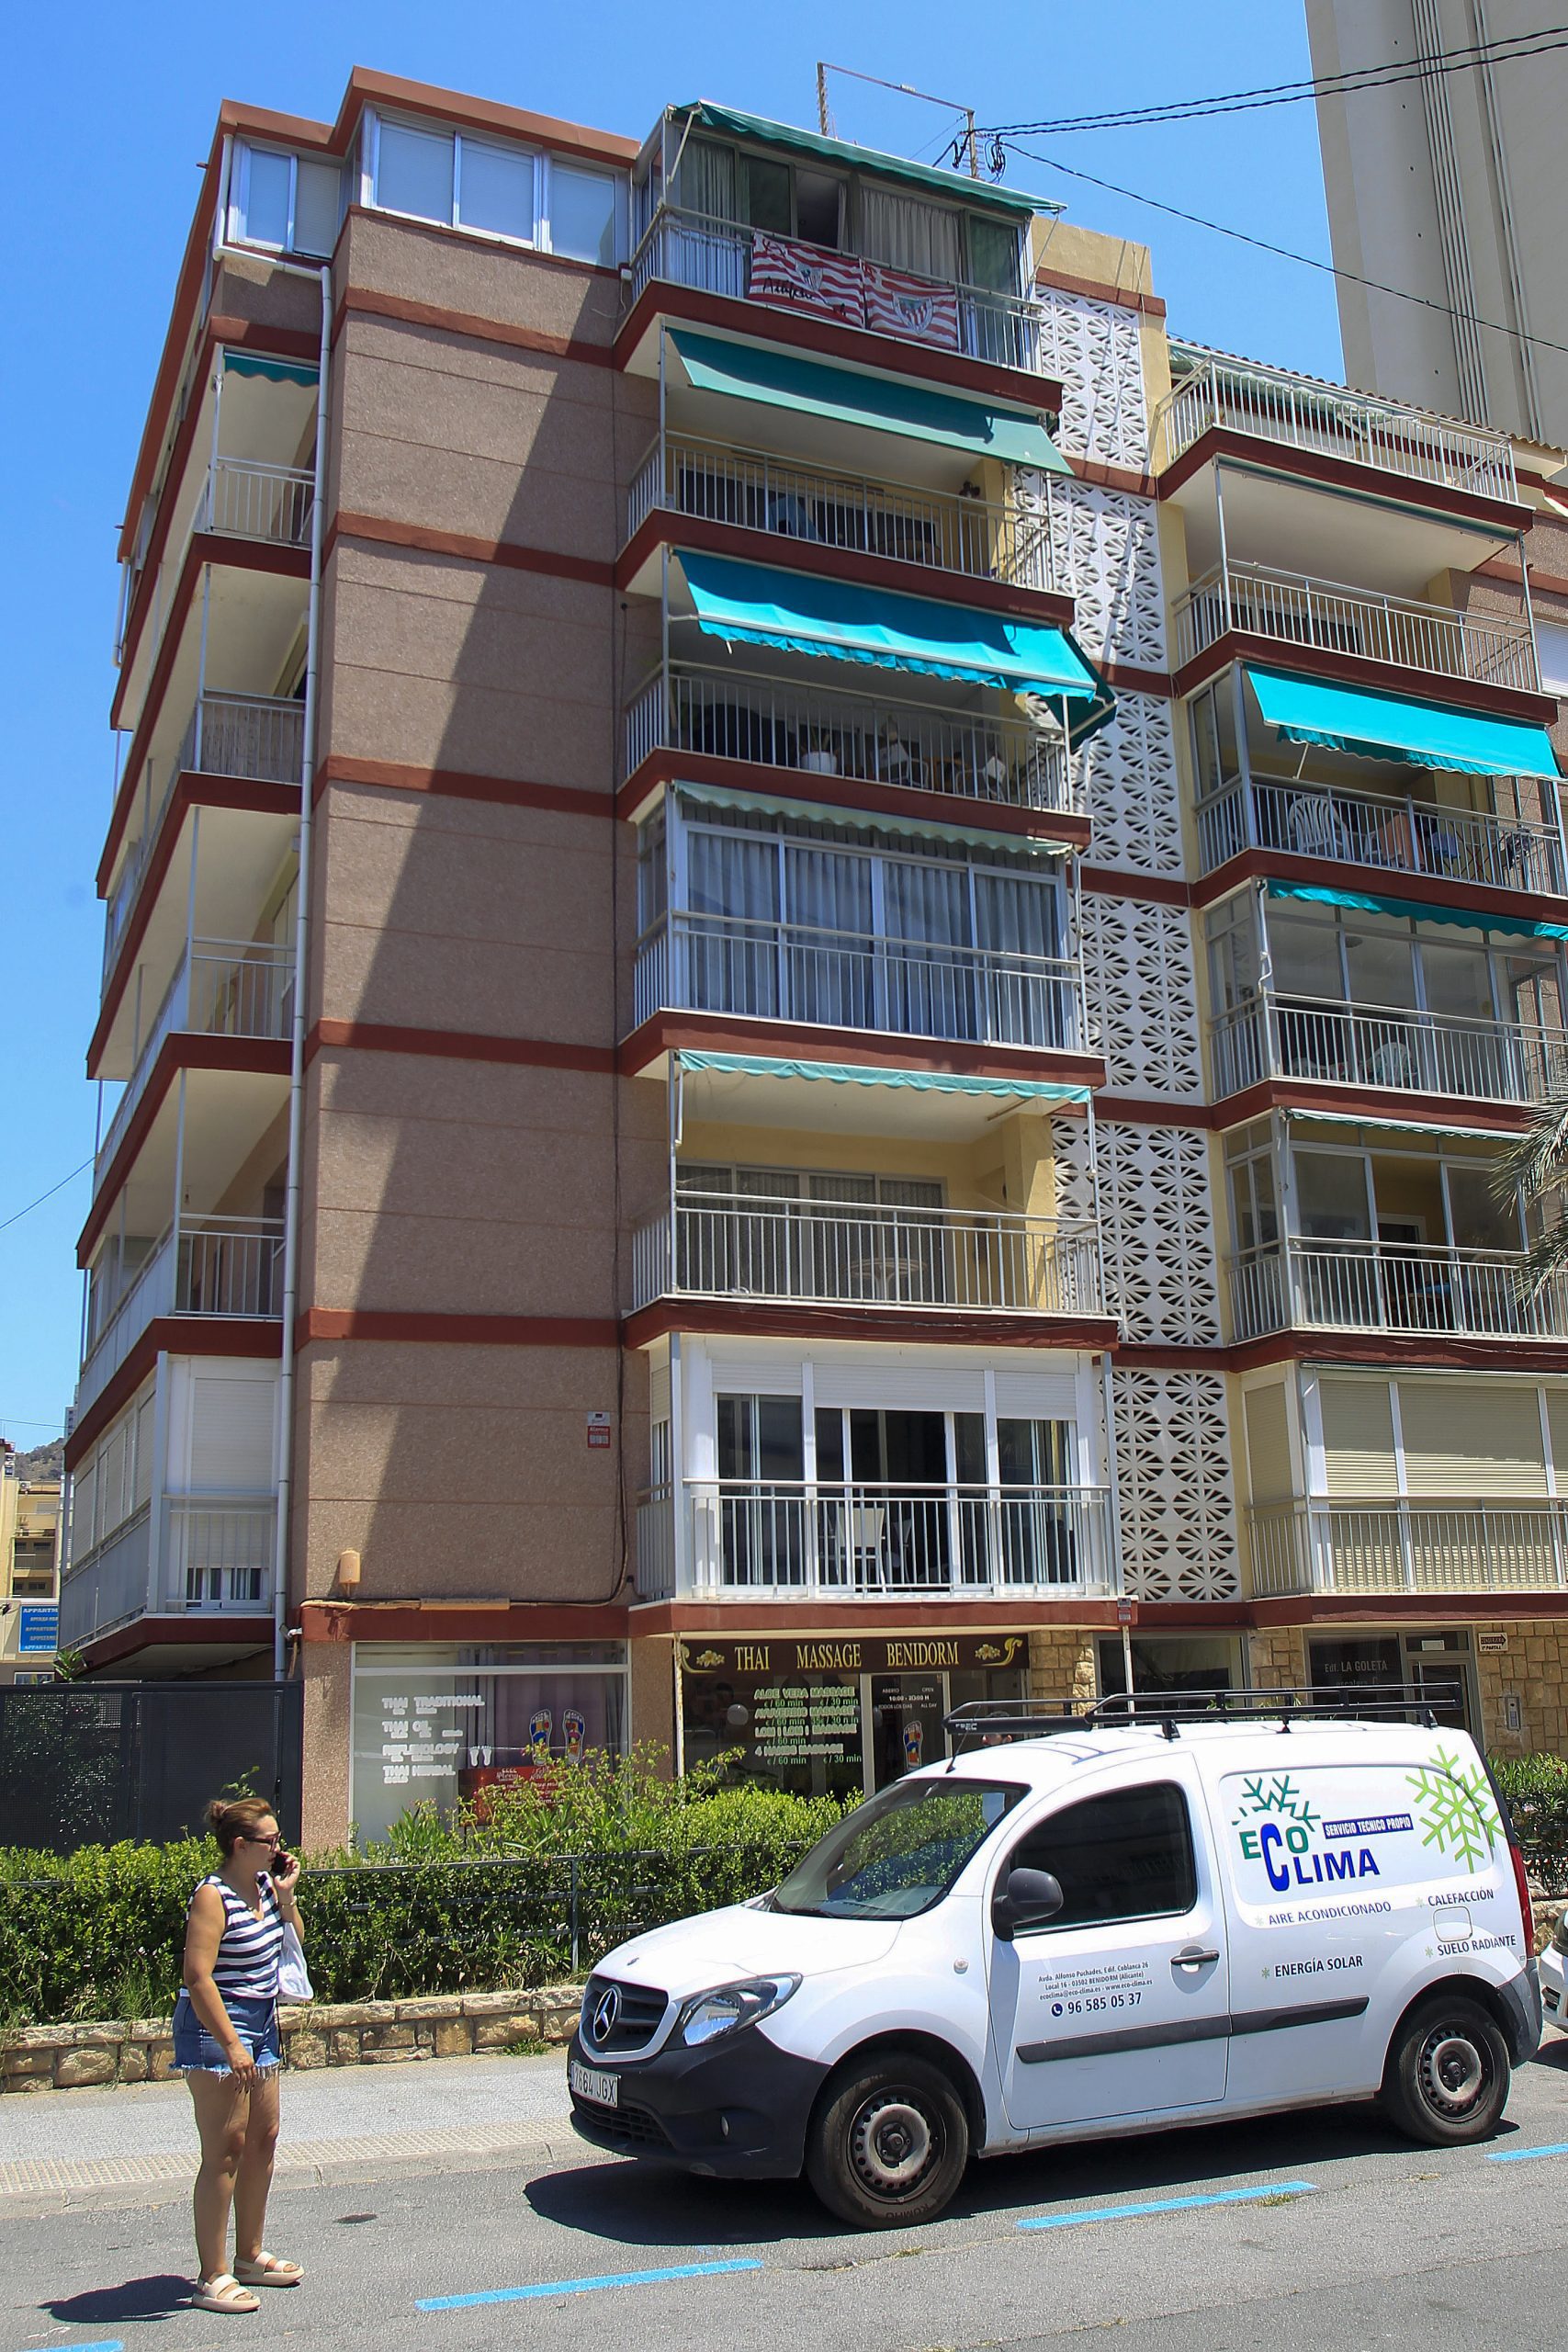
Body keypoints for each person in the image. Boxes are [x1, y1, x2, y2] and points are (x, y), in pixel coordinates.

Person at [173, 1795, 306, 2313]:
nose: (278, 1848)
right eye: (269, 1840)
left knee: (263, 2139)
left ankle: (249, 2255)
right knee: (225, 2148)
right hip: (217, 2025)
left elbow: (293, 1943)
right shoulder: (213, 1895)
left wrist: (287, 1898)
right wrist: (231, 2044)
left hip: (262, 2021)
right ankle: (212, 2275)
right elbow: (197, 1976)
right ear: (240, 1845)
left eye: (278, 1839)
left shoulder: (265, 1887)